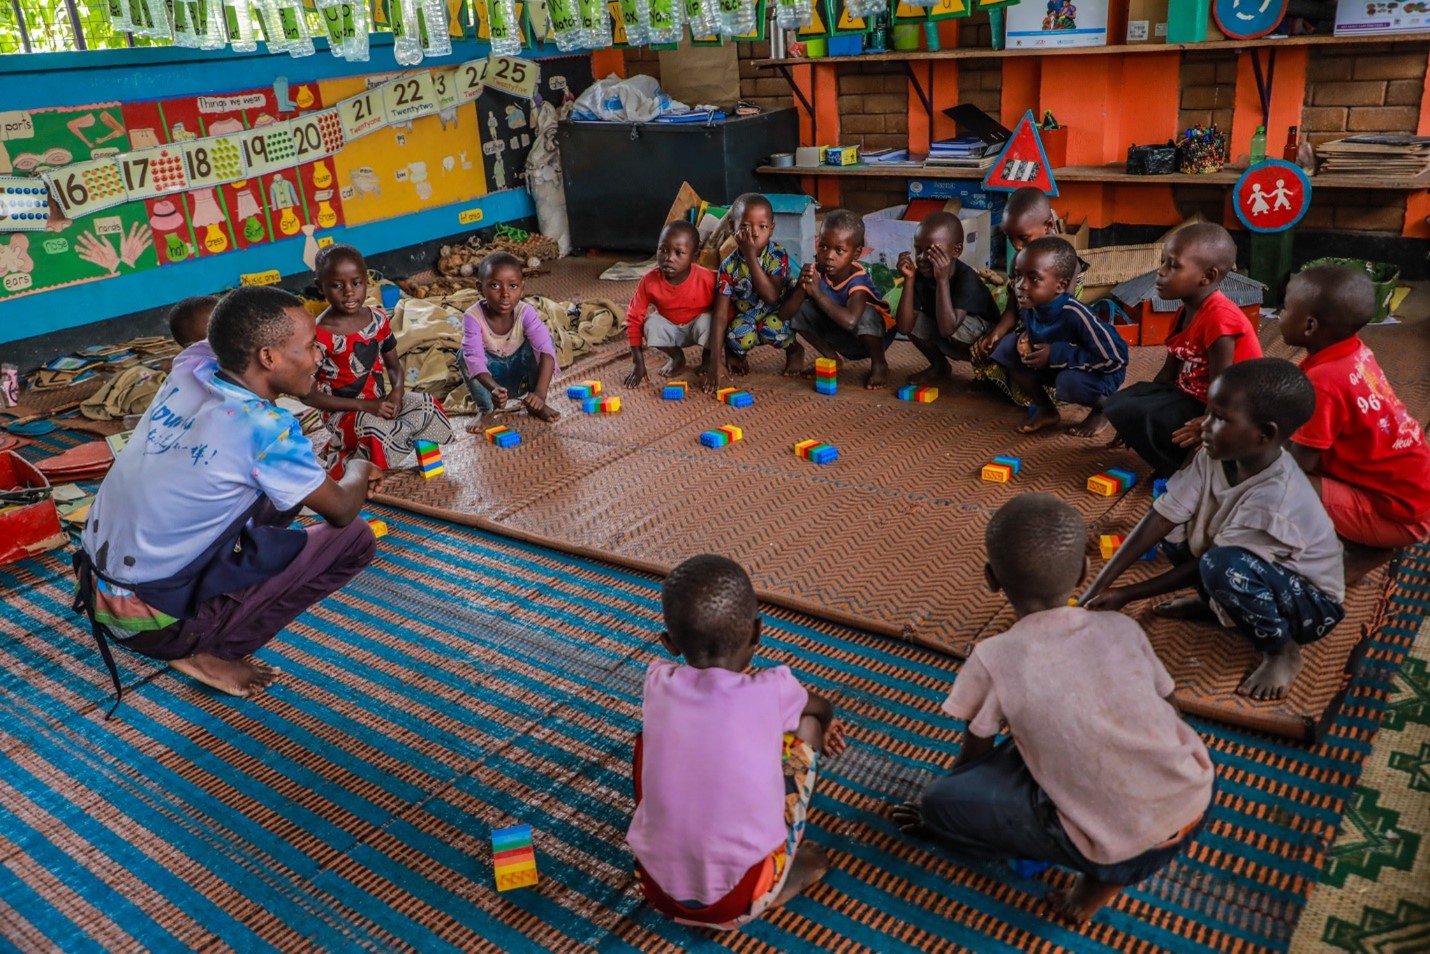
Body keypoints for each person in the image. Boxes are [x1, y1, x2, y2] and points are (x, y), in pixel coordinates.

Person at [890, 494, 1214, 926]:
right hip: (1193, 797)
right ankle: (1094, 889)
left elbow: (974, 760)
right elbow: (1170, 711)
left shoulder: (994, 655)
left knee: (941, 802)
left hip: (1114, 838)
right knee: (1081, 742)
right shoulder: (1122, 626)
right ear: (1083, 571)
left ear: (991, 580)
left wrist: (941, 814)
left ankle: (1097, 869)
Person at [74, 286, 377, 701]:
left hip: (97, 590)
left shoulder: (189, 366)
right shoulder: (263, 429)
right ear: (267, 357)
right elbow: (342, 510)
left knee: (284, 487)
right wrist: (360, 465)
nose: (319, 356)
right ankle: (208, 649)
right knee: (355, 537)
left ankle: (205, 609)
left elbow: (214, 334)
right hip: (153, 624)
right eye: (309, 347)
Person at [1082, 358, 1345, 701]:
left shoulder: (1277, 494)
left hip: (1309, 604)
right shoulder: (1213, 456)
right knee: (1175, 530)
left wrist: (1128, 593)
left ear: (1264, 434)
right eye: (1207, 412)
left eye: (1218, 419)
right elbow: (1164, 516)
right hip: (1242, 563)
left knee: (1220, 565)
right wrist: (1102, 583)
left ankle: (1282, 651)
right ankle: (1216, 605)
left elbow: (1214, 561)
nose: (1202, 426)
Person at [627, 554, 846, 930]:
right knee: (805, 725)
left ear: (668, 644)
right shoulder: (775, 689)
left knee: (651, 740)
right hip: (736, 902)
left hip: (652, 888)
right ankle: (779, 880)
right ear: (758, 632)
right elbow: (822, 709)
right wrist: (824, 728)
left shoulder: (657, 682)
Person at [1280, 264, 1430, 579]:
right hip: (1412, 494)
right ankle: (1362, 540)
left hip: (1401, 516)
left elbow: (1296, 467)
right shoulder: (1355, 352)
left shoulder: (1324, 380)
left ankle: (1362, 549)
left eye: (1284, 309)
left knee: (1275, 482)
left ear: (1309, 326)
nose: (1279, 316)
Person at [1103, 223, 1262, 478]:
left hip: (1230, 408)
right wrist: (1128, 425)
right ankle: (1175, 459)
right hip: (1192, 392)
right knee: (1123, 403)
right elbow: (1168, 371)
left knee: (1148, 414)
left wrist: (1209, 426)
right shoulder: (1184, 310)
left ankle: (1191, 468)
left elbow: (1223, 388)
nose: (1161, 273)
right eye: (1162, 262)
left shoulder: (1219, 318)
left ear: (1207, 277)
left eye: (1173, 266)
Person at [304, 244, 451, 484]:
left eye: (356, 283)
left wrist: (397, 392)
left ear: (367, 281)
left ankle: (430, 462)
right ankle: (353, 468)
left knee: (427, 404)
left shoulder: (378, 319)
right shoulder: (318, 335)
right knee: (373, 428)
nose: (349, 292)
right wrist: (366, 406)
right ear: (321, 287)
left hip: (380, 400)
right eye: (337, 285)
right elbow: (308, 396)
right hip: (342, 411)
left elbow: (393, 366)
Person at [989, 236, 1128, 435]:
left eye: (1033, 278)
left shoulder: (1076, 314)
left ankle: (1105, 409)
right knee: (1007, 348)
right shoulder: (1031, 305)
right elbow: (1039, 332)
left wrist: (1056, 354)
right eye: (1018, 276)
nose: (1021, 286)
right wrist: (1024, 338)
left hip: (1101, 373)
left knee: (1069, 382)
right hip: (1057, 364)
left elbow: (1116, 358)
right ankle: (1047, 410)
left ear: (1060, 286)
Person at [785, 209, 894, 389]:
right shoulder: (816, 272)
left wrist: (817, 293)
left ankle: (880, 364)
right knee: (800, 307)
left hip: (873, 338)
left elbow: (851, 321)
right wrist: (801, 287)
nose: (829, 256)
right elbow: (784, 315)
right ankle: (832, 358)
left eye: (839, 250)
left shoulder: (858, 280)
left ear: (856, 253)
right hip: (840, 331)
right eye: (824, 247)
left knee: (865, 314)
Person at [892, 211, 1001, 388]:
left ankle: (987, 373)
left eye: (933, 252)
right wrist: (909, 280)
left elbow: (947, 329)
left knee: (957, 324)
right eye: (918, 250)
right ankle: (940, 367)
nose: (922, 259)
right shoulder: (920, 275)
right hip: (948, 332)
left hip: (984, 341)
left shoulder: (967, 279)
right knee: (914, 320)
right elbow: (904, 327)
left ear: (956, 251)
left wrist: (942, 280)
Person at [707, 193, 803, 393]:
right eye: (745, 227)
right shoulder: (729, 266)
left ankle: (794, 349)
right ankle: (737, 355)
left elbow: (771, 296)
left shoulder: (777, 255)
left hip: (776, 313)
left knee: (773, 328)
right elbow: (720, 314)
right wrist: (716, 362)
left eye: (763, 227)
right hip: (747, 316)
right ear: (732, 227)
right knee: (736, 335)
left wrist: (750, 256)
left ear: (772, 229)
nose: (754, 234)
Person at [461, 251, 561, 425]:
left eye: (513, 286)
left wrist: (540, 394)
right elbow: (475, 359)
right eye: (495, 286)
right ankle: (486, 410)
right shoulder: (472, 317)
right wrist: (494, 389)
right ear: (479, 288)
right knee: (464, 355)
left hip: (521, 375)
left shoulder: (525, 312)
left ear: (522, 288)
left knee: (547, 343)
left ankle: (535, 403)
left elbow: (546, 350)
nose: (505, 294)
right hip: (493, 382)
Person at [624, 220, 716, 388]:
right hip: (671, 328)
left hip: (699, 328)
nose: (669, 258)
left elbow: (726, 310)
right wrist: (637, 362)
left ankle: (707, 359)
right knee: (650, 324)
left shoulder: (708, 279)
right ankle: (676, 357)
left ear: (694, 256)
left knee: (711, 321)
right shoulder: (649, 281)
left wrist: (720, 357)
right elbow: (633, 318)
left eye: (679, 253)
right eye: (663, 250)